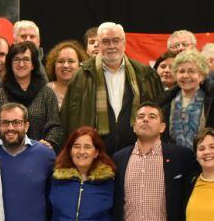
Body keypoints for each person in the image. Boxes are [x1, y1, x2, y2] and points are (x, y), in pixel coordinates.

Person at [61, 21, 164, 154]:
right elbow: (67, 118)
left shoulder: (145, 74)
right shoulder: (82, 76)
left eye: (116, 40)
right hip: (94, 152)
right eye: (105, 41)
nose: (111, 46)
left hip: (136, 151)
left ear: (124, 44)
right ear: (98, 44)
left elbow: (159, 113)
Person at [0, 41, 63, 150]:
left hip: (38, 154)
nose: (21, 64)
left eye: (26, 59)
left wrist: (49, 142)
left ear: (33, 64)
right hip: (6, 155)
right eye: (16, 60)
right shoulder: (0, 93)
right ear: (10, 64)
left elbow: (55, 124)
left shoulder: (46, 93)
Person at [166, 49, 214, 150]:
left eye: (191, 71)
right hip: (173, 158)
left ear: (202, 75)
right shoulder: (167, 101)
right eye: (181, 71)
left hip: (204, 157)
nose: (185, 75)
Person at [45, 40, 88, 111]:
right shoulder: (45, 92)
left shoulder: (88, 91)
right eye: (61, 61)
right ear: (53, 65)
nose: (65, 65)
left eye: (71, 61)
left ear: (80, 65)